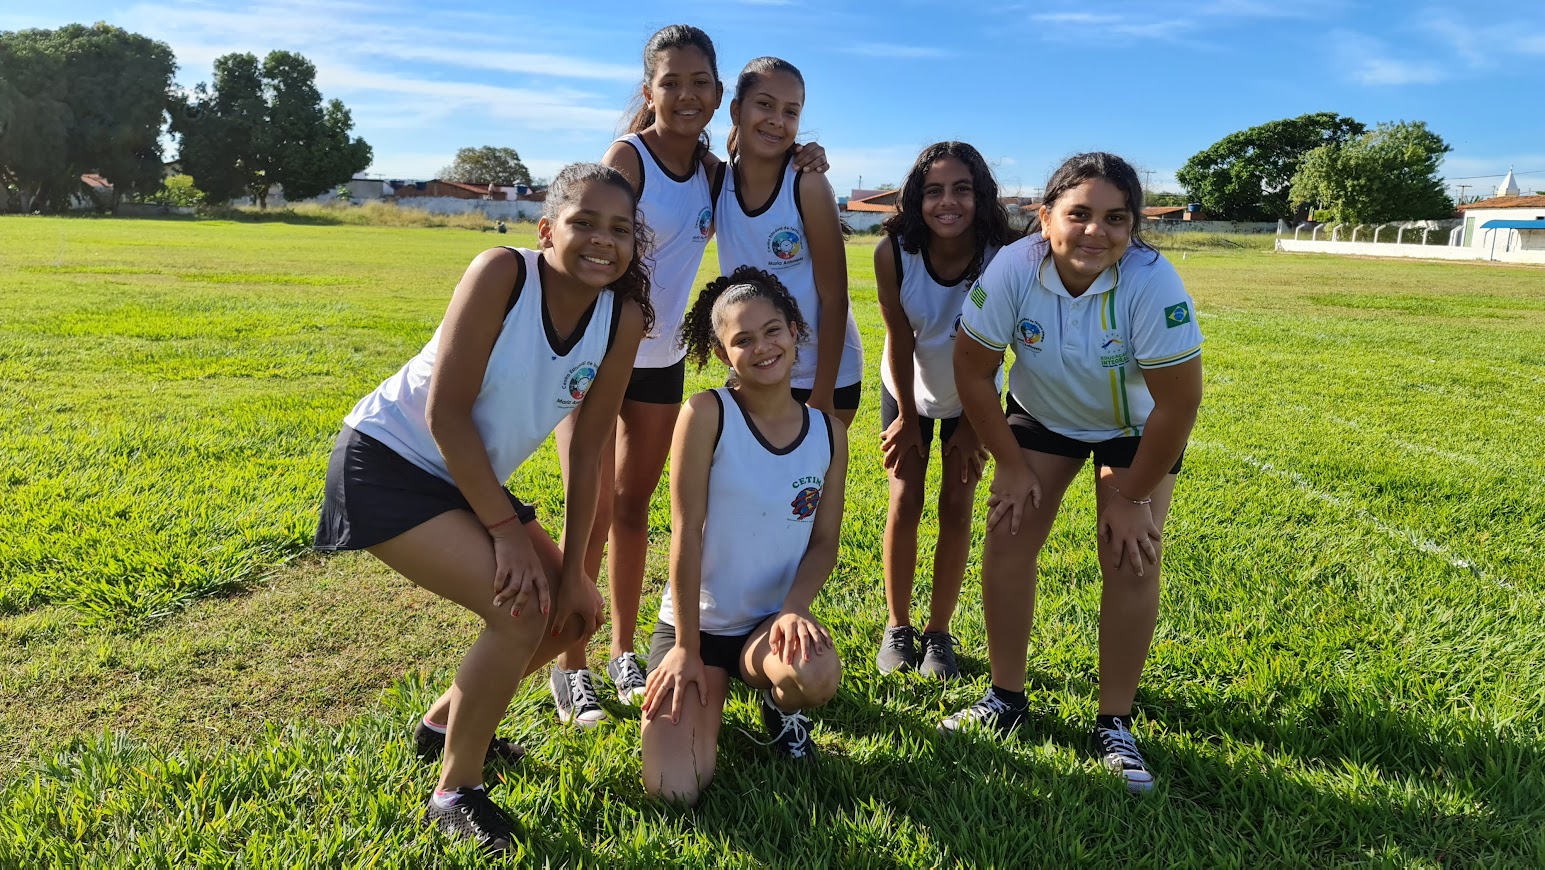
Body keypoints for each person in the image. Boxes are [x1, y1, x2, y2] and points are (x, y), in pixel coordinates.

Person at [313, 162, 651, 853]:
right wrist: (506, 533)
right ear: (545, 228)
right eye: (583, 221)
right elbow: (446, 414)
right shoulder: (502, 272)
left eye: (619, 229)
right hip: (387, 464)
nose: (601, 240)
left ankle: (441, 726)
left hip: (467, 480)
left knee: (574, 613)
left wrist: (577, 567)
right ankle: (454, 791)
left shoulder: (623, 316)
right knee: (520, 612)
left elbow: (587, 452)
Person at [548, 25, 828, 723]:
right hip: (591, 354)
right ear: (650, 92)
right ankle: (568, 668)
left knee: (635, 508)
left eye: (699, 82)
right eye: (671, 83)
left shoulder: (711, 169)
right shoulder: (628, 157)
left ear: (717, 94)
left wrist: (807, 153)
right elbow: (588, 240)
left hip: (662, 359)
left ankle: (621, 653)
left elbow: (767, 153)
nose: (686, 95)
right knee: (587, 517)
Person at [940, 152, 1203, 796]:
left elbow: (1179, 405)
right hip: (1042, 415)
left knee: (1130, 555)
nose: (1096, 232)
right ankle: (1005, 697)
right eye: (1078, 214)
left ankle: (1115, 722)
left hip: (1134, 428)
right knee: (1006, 539)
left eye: (1116, 219)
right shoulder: (1013, 268)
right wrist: (1007, 463)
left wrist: (1132, 495)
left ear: (1134, 228)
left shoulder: (1151, 282)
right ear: (1045, 218)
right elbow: (973, 372)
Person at [640, 266, 847, 805]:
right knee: (674, 788)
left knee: (818, 674)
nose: (763, 347)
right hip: (697, 630)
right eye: (743, 339)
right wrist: (684, 646)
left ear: (795, 330)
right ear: (722, 352)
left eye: (773, 330)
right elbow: (684, 534)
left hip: (766, 628)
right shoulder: (707, 413)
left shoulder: (828, 432)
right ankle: (705, 687)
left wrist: (794, 609)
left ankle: (779, 710)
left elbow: (824, 542)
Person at [874, 142, 1014, 679]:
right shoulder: (894, 252)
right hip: (907, 386)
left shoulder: (1003, 254)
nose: (947, 202)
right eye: (933, 191)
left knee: (957, 507)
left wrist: (977, 426)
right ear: (916, 199)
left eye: (962, 189)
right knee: (905, 498)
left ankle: (938, 633)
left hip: (973, 395)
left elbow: (1005, 344)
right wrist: (908, 419)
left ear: (980, 196)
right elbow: (900, 337)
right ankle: (897, 627)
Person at [712, 56, 862, 426]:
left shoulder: (807, 183)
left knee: (814, 483)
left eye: (791, 112)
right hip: (756, 366)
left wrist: (822, 394)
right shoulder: (715, 182)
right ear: (736, 110)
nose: (777, 120)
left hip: (824, 375)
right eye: (764, 104)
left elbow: (834, 296)